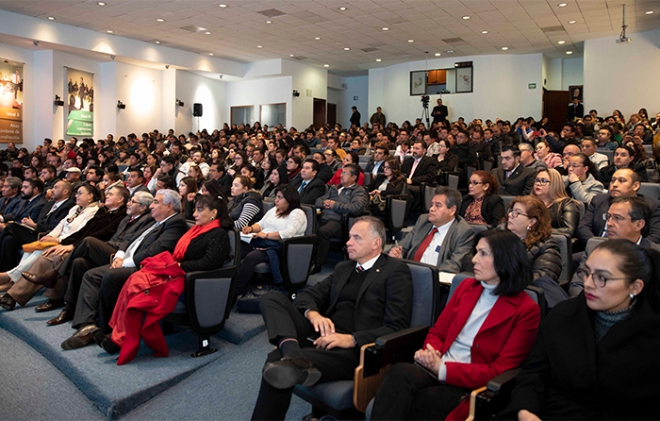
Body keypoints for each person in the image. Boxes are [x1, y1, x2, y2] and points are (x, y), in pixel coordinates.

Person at [251, 216, 412, 420]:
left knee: (275, 362)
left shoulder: (395, 271)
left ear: (376, 243)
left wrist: (351, 339)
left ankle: (290, 357)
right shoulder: (344, 268)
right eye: (349, 237)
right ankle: (292, 352)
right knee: (272, 298)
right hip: (323, 334)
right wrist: (314, 313)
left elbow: (397, 326)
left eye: (356, 238)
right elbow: (307, 296)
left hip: (355, 350)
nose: (348, 242)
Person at [371, 230, 540, 420]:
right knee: (399, 373)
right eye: (476, 252)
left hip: (471, 382)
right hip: (438, 365)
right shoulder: (467, 287)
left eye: (483, 254)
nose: (474, 259)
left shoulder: (526, 309)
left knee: (426, 400)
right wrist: (430, 352)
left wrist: (442, 369)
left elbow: (500, 370)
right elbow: (438, 332)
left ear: (505, 260)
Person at [502, 239, 660, 420]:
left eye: (602, 278)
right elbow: (534, 373)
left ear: (635, 286)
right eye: (587, 273)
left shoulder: (653, 333)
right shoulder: (562, 316)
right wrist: (526, 411)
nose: (588, 284)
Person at [94, 195, 232, 364]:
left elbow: (209, 263)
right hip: (176, 273)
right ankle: (116, 334)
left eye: (200, 210)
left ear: (214, 213)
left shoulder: (219, 234)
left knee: (139, 294)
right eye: (195, 209)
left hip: (189, 281)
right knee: (134, 280)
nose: (194, 214)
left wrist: (179, 266)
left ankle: (120, 340)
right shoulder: (195, 230)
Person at [60, 189, 189, 350]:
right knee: (90, 274)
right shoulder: (155, 221)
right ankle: (87, 325)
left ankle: (106, 327)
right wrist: (120, 255)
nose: (151, 206)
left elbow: (156, 250)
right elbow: (130, 238)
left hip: (145, 269)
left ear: (169, 206)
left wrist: (126, 262)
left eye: (156, 202)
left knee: (111, 275)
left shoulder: (176, 223)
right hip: (127, 259)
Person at [0, 185, 129, 311]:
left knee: (56, 257)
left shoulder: (122, 215)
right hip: (80, 244)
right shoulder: (103, 211)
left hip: (93, 250)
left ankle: (53, 298)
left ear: (120, 199)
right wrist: (63, 244)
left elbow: (103, 234)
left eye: (111, 194)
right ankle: (11, 297)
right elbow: (83, 231)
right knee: (44, 257)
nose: (107, 196)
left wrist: (71, 246)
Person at [44, 191, 155, 326]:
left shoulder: (146, 220)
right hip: (112, 248)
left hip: (120, 255)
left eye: (133, 202)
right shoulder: (126, 218)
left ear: (143, 207)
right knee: (79, 262)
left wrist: (105, 245)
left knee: (89, 241)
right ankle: (70, 309)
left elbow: (129, 242)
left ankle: (56, 274)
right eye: (130, 201)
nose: (128, 204)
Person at [570, 196, 657, 297]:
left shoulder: (655, 253)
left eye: (617, 218)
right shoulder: (595, 247)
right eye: (608, 217)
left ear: (639, 225)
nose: (609, 224)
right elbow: (577, 285)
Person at [235, 184, 307, 297]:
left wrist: (266, 235)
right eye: (276, 197)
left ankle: (236, 290)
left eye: (280, 197)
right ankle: (230, 283)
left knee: (251, 257)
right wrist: (251, 228)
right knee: (237, 249)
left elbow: (287, 233)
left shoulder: (297, 213)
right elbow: (261, 224)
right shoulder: (274, 210)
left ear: (290, 199)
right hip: (262, 240)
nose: (276, 200)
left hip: (279, 247)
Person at [389, 187, 475, 273]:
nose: (431, 209)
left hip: (435, 280)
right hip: (408, 273)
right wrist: (396, 253)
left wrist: (429, 276)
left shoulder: (463, 231)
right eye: (431, 205)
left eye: (438, 205)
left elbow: (454, 264)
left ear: (452, 210)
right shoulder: (423, 221)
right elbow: (402, 247)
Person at [503, 196, 564, 306]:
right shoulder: (500, 238)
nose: (510, 215)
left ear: (531, 222)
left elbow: (543, 278)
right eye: (511, 211)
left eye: (517, 213)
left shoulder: (547, 246)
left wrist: (504, 279)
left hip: (525, 300)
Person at [310, 164, 369, 274]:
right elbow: (318, 200)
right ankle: (306, 259)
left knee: (323, 231)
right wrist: (324, 203)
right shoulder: (334, 188)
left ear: (353, 177)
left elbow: (357, 207)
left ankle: (317, 263)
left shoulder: (358, 191)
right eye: (341, 172)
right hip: (323, 218)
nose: (341, 175)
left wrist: (335, 205)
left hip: (340, 222)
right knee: (308, 228)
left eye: (345, 173)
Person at [578, 168, 660, 246]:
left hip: (633, 252)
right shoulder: (598, 200)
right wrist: (596, 244)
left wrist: (633, 250)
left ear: (635, 186)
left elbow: (655, 236)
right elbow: (584, 227)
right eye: (613, 180)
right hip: (598, 247)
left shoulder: (652, 205)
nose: (615, 184)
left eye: (621, 181)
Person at [532, 169, 580, 237]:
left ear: (555, 184)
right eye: (537, 180)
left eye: (544, 181)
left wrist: (538, 231)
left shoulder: (566, 203)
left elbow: (569, 230)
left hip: (553, 242)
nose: (538, 183)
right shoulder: (527, 203)